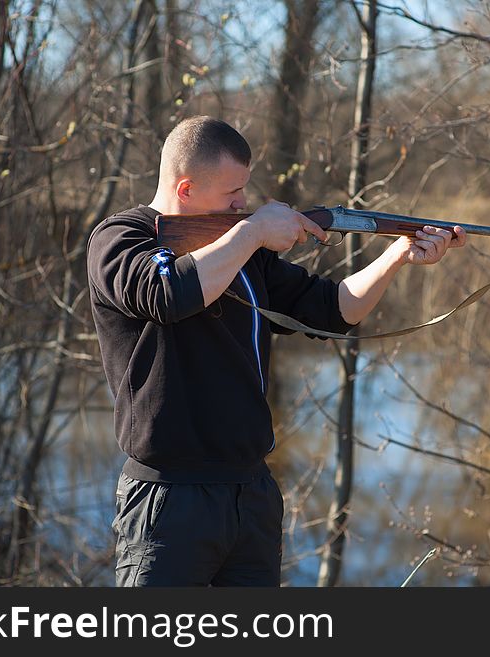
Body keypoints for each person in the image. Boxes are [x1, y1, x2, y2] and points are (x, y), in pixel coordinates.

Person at [87, 115, 466, 586]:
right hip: (168, 499)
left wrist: (399, 254)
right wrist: (253, 232)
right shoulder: (121, 239)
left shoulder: (245, 250)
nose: (243, 204)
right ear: (185, 189)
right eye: (232, 194)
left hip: (252, 495)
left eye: (243, 192)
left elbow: (333, 309)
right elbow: (165, 294)